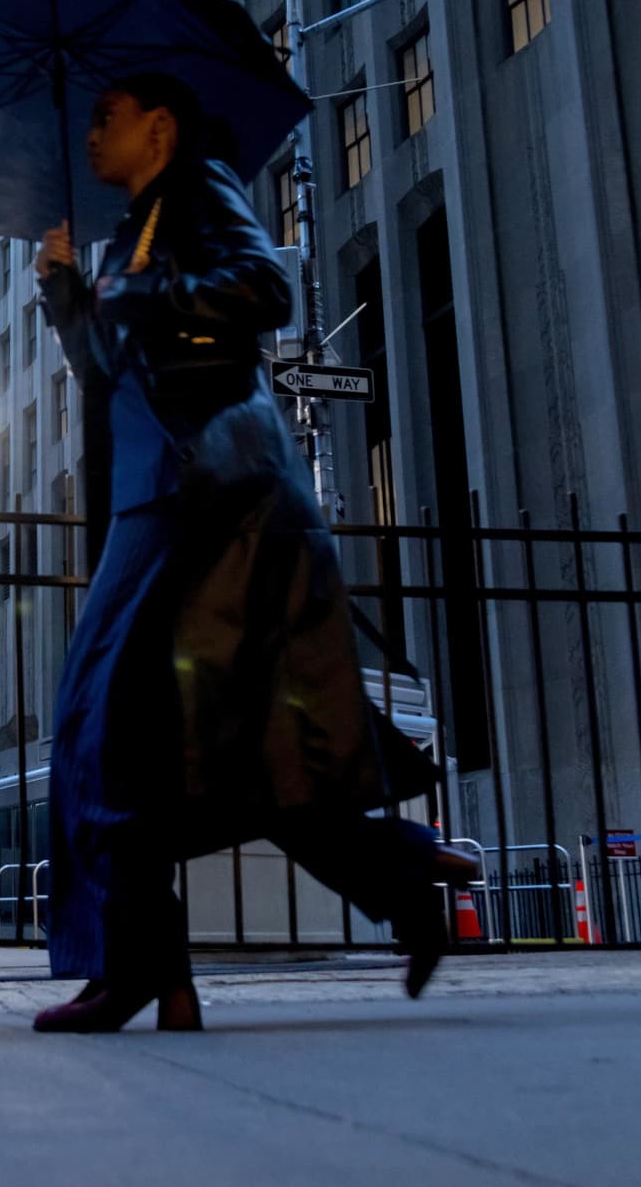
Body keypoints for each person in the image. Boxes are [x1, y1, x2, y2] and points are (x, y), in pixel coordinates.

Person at [30, 73, 479, 1034]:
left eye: (104, 113)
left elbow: (265, 287)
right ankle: (396, 877)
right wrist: (67, 294)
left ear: (159, 124)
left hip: (218, 500)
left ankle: (148, 970)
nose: (92, 129)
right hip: (157, 501)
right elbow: (111, 368)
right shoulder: (126, 234)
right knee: (207, 746)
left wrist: (141, 291)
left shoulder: (200, 189)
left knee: (115, 731)